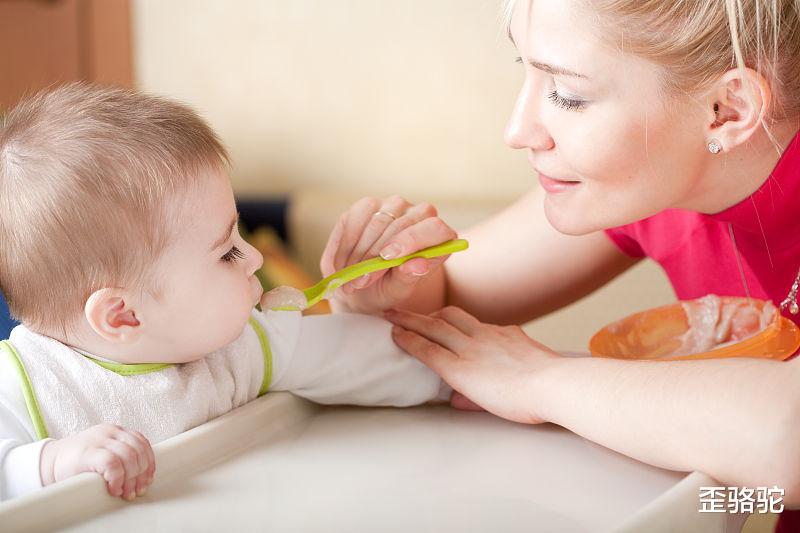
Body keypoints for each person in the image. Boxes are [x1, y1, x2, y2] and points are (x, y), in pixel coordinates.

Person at [320, 0, 800, 525]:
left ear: (728, 110)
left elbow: (789, 438)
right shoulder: (659, 183)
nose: (517, 131)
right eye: (525, 69)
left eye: (567, 95)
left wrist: (538, 380)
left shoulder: (657, 172)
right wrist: (381, 286)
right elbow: (445, 298)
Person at [0, 84, 448, 502]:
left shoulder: (242, 346)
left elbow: (366, 356)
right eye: (228, 252)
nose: (255, 257)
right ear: (123, 315)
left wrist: (452, 383)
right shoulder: (23, 383)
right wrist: (48, 465)